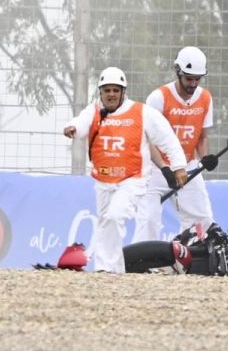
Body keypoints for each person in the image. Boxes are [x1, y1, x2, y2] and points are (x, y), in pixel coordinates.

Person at [63, 66, 187, 273]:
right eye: (107, 90)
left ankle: (110, 270)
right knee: (104, 222)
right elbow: (80, 123)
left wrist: (179, 166)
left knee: (114, 216)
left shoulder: (141, 112)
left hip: (132, 179)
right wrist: (72, 129)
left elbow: (166, 138)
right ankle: (107, 270)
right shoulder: (93, 111)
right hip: (103, 180)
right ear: (100, 92)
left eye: (115, 90)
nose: (111, 94)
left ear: (123, 92)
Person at [134, 46, 218, 241]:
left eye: (197, 79)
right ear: (178, 72)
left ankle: (193, 263)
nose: (193, 84)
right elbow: (147, 140)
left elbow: (202, 137)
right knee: (148, 219)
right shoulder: (158, 98)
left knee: (202, 220)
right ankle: (140, 267)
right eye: (189, 78)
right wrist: (164, 168)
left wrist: (205, 158)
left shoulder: (205, 98)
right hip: (155, 168)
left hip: (188, 166)